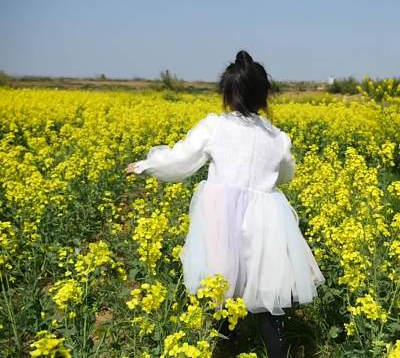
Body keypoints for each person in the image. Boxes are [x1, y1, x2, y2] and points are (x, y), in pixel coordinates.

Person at [125, 50, 325, 358]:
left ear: (227, 94)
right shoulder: (277, 138)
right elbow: (286, 174)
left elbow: (181, 158)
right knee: (267, 290)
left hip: (220, 215)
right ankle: (276, 350)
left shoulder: (214, 127)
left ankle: (224, 345)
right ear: (264, 96)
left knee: (222, 282)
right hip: (266, 217)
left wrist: (147, 165)